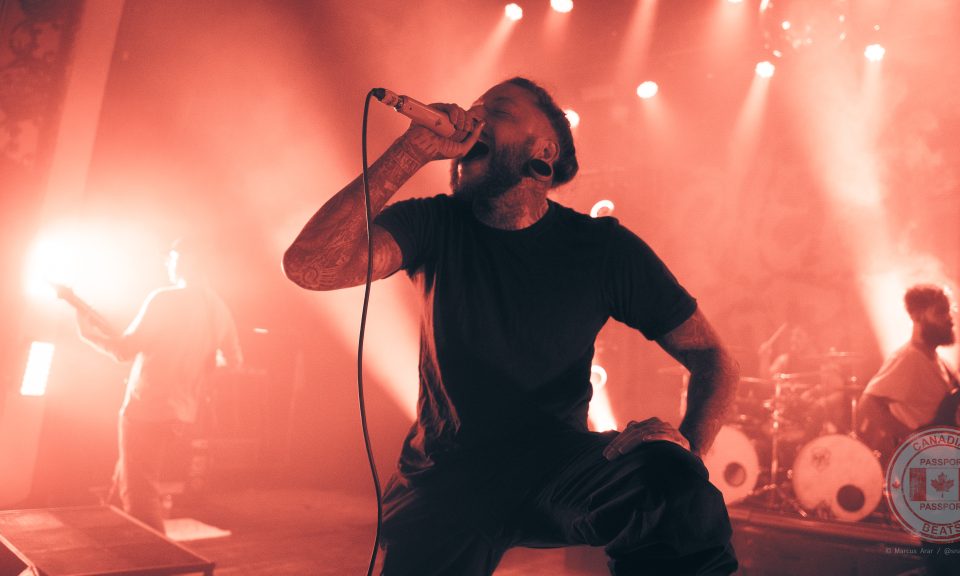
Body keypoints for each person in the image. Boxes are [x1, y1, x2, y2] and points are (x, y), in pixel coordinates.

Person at [283, 77, 739, 575]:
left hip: (555, 466)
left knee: (670, 483)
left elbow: (713, 357)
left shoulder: (601, 247)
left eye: (497, 110)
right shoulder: (432, 223)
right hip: (444, 475)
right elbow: (309, 265)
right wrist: (411, 150)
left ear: (544, 150)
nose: (473, 117)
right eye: (474, 107)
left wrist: (690, 451)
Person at [75, 238, 243, 533]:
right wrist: (198, 369)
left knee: (139, 496)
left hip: (145, 409)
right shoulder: (219, 309)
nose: (167, 263)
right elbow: (234, 362)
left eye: (172, 256)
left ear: (186, 260)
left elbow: (124, 350)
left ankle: (157, 557)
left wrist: (87, 333)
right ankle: (107, 542)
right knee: (125, 481)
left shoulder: (165, 299)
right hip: (180, 414)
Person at [857, 284, 960, 458]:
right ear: (917, 316)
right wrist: (915, 440)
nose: (950, 319)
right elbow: (868, 405)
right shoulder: (907, 359)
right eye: (941, 312)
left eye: (949, 311)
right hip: (923, 462)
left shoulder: (939, 360)